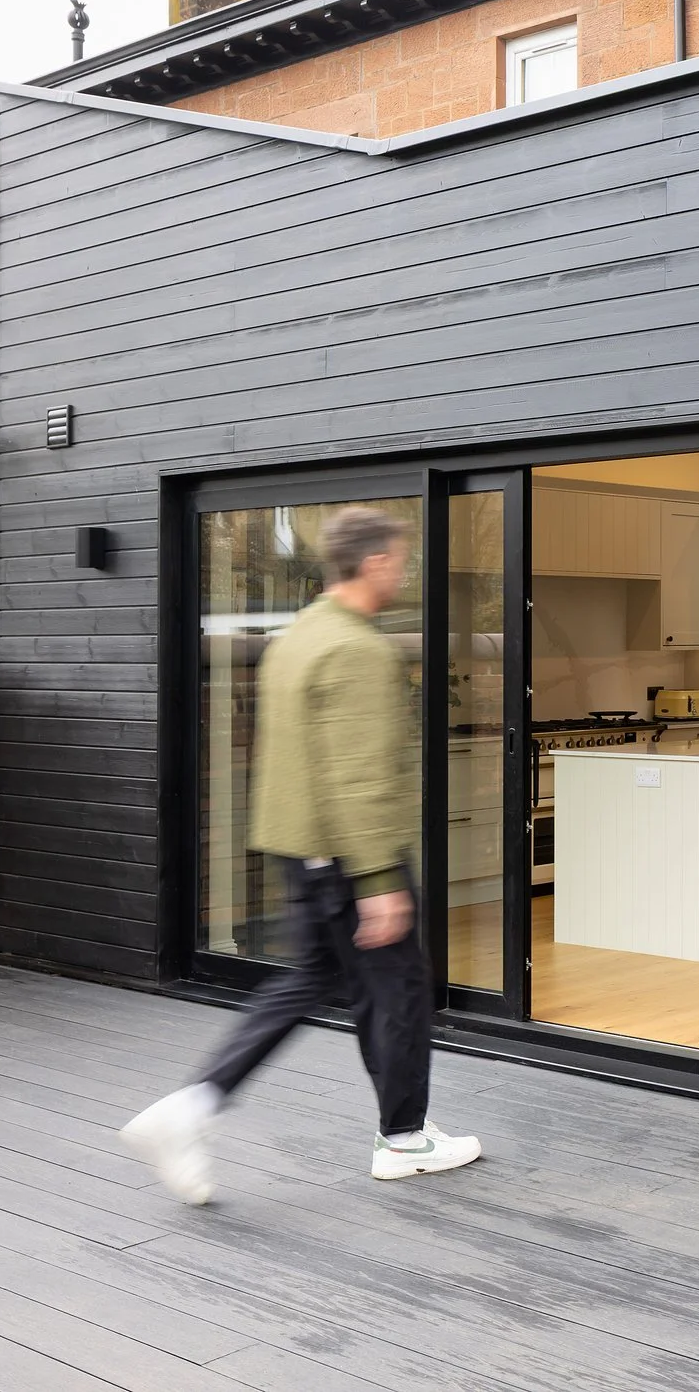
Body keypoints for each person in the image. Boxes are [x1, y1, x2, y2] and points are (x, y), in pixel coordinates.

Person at [121, 505, 481, 1202]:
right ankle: (403, 1138)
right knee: (399, 986)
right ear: (374, 562)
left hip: (304, 850)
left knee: (324, 983)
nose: (403, 572)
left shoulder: (299, 635)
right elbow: (360, 773)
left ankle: (195, 1107)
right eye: (399, 560)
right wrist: (379, 878)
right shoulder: (357, 648)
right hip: (351, 854)